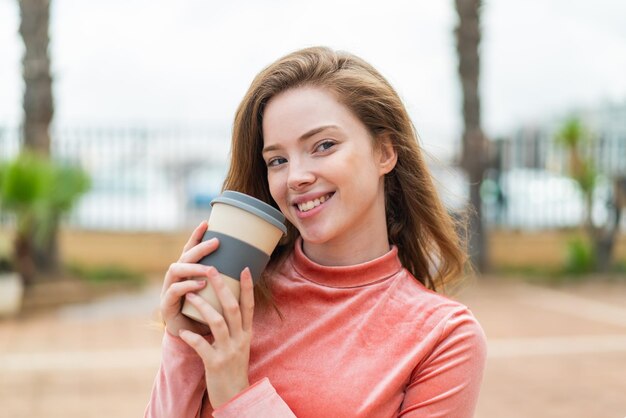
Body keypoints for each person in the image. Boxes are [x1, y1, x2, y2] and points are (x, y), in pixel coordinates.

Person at [144, 46, 487, 418]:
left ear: (385, 151)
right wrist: (182, 342)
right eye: (277, 160)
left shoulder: (443, 337)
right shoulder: (233, 295)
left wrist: (235, 395)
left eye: (324, 146)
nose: (296, 177)